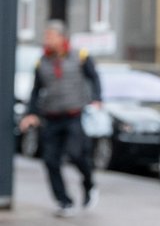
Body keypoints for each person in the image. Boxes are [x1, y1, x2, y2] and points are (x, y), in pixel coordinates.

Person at [19, 20, 102, 217]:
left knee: (76, 154)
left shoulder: (80, 56)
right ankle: (64, 201)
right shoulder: (42, 62)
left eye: (50, 36)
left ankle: (89, 184)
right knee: (50, 160)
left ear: (62, 37)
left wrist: (97, 99)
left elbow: (94, 77)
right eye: (46, 35)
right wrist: (31, 113)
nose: (46, 39)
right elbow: (36, 90)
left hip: (74, 116)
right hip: (51, 117)